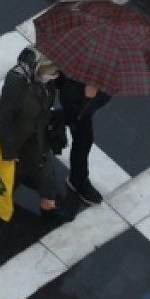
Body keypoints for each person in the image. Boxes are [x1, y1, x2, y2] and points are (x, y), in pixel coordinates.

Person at [0, 47, 67, 219]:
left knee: (45, 166)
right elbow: (5, 117)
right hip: (12, 136)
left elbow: (43, 109)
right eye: (53, 72)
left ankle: (48, 204)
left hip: (34, 135)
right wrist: (8, 150)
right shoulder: (16, 82)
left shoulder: (48, 84)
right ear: (41, 67)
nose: (55, 76)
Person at [52, 75, 112, 205]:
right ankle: (77, 180)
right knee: (83, 140)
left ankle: (51, 120)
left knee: (84, 139)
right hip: (79, 104)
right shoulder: (94, 72)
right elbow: (69, 100)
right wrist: (87, 97)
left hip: (83, 102)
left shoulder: (107, 73)